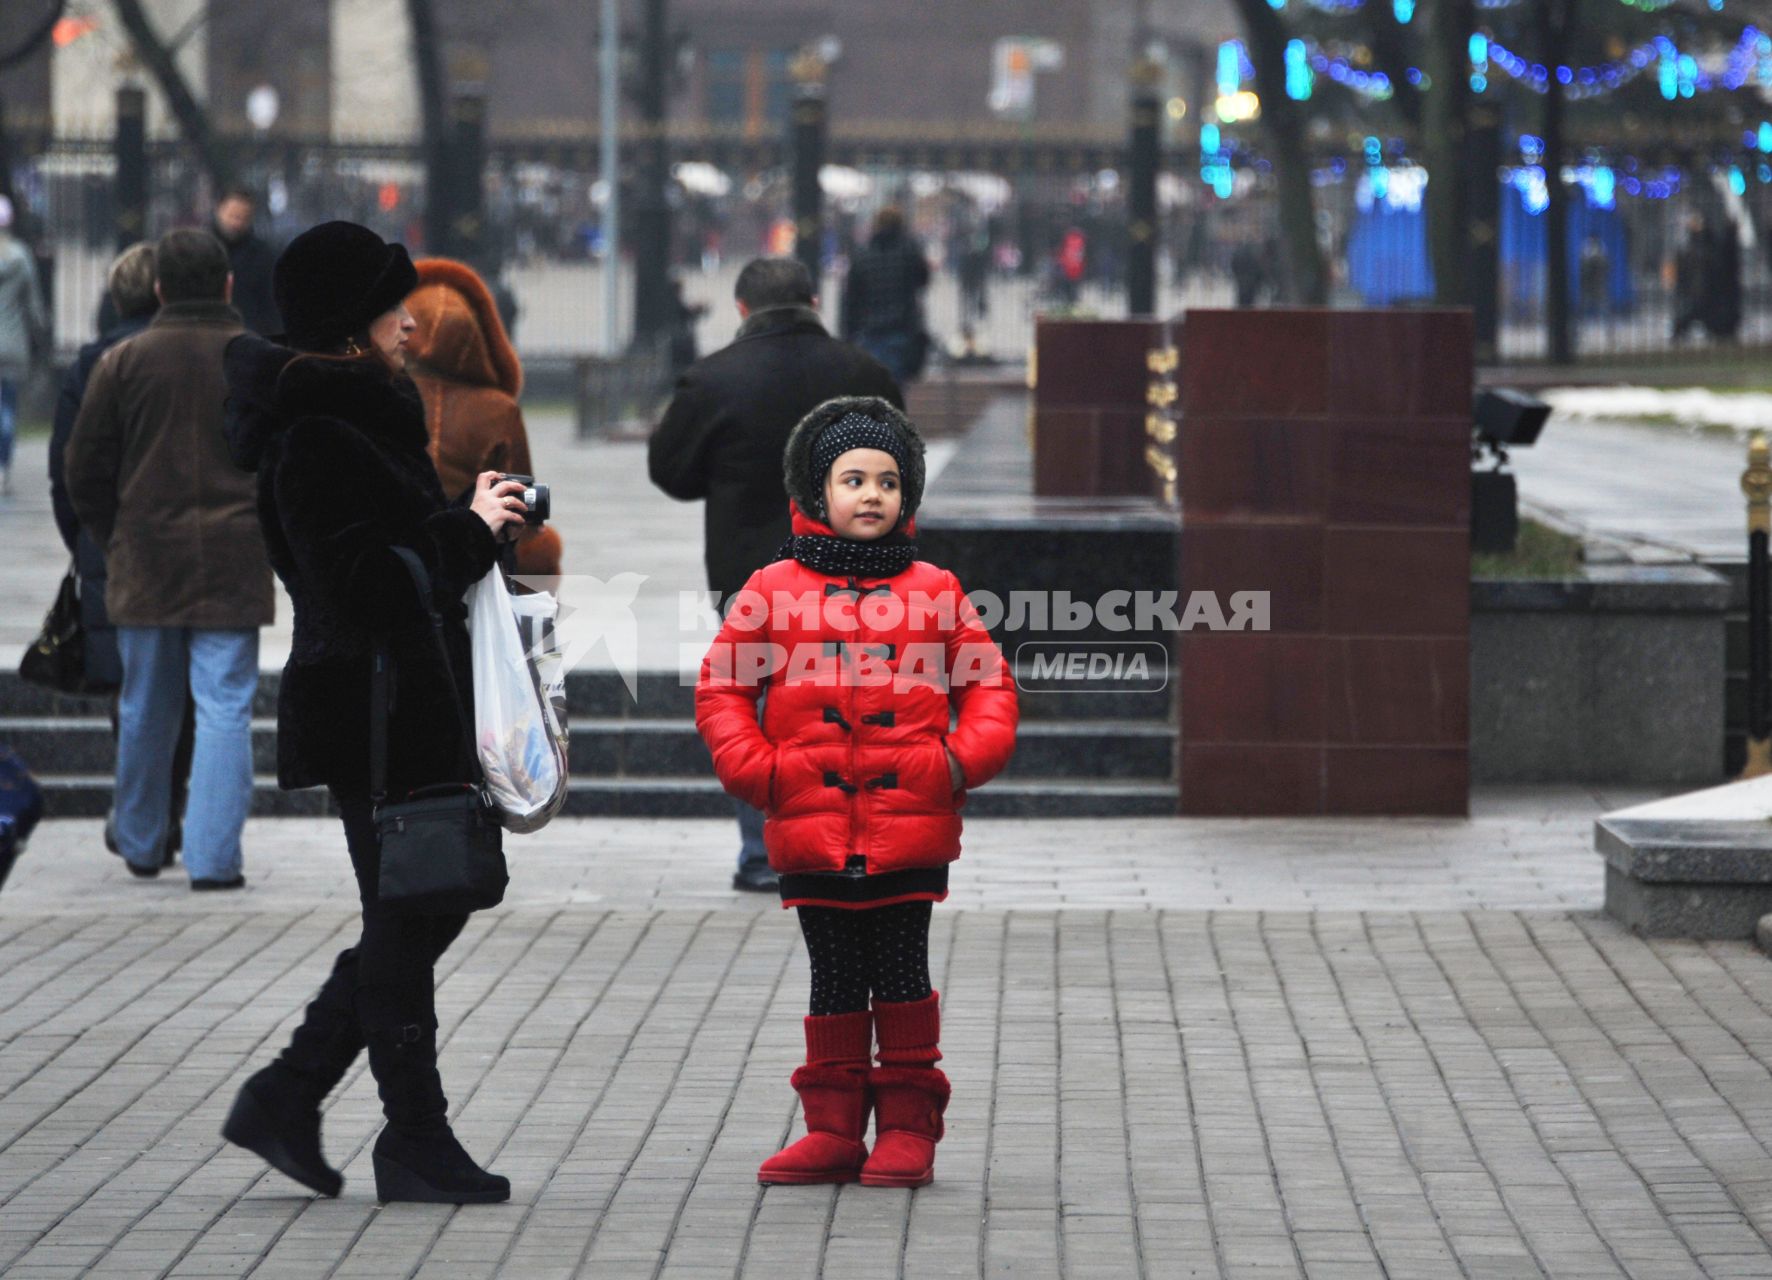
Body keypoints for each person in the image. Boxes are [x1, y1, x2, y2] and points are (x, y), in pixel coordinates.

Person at [220, 220, 525, 1204]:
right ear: (356, 324)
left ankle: (299, 1094)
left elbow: (392, 547)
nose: (413, 325)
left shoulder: (360, 413)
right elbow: (359, 579)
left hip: (404, 696)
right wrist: (466, 534)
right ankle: (400, 1132)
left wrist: (465, 518)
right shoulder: (316, 432)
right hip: (371, 700)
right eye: (397, 308)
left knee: (416, 911)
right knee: (411, 911)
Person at [695, 396, 1019, 1189]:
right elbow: (721, 690)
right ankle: (834, 1130)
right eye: (852, 480)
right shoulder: (771, 588)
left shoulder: (936, 589)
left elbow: (991, 690)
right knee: (833, 975)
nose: (871, 495)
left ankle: (909, 1126)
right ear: (816, 492)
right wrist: (762, 773)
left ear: (907, 495)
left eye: (886, 481)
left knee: (902, 972)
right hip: (809, 821)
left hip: (908, 823)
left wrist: (951, 765)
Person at [649, 256, 903, 893]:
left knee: (760, 710)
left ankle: (764, 855)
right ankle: (854, 848)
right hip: (856, 565)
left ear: (740, 309)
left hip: (748, 577)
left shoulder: (711, 380)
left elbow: (672, 474)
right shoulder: (864, 373)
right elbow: (901, 465)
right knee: (854, 705)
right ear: (814, 300)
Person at [64, 229, 272, 889]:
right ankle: (214, 858)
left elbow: (84, 466)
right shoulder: (257, 362)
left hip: (147, 556)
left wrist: (113, 531)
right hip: (234, 557)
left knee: (147, 704)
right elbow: (281, 461)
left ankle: (142, 839)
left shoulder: (123, 362)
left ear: (158, 289)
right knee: (225, 703)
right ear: (228, 285)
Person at [49, 244, 194, 863]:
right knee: (185, 689)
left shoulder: (92, 362)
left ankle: (140, 822)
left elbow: (67, 467)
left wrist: (86, 541)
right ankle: (171, 813)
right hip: (189, 543)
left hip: (111, 545)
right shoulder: (192, 353)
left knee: (131, 691)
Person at [404, 256, 562, 576]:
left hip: (400, 571)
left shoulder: (380, 398)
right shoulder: (497, 411)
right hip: (479, 568)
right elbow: (524, 517)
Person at [840, 208, 931, 384]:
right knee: (895, 389)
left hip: (868, 332)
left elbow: (851, 300)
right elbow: (924, 280)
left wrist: (847, 337)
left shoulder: (861, 255)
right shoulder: (909, 252)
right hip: (901, 330)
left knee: (871, 388)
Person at [0, 195, 48, 496]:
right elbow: (33, 305)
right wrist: (41, 332)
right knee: (7, 406)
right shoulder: (19, 256)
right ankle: (2, 468)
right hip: (12, 343)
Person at [212, 187, 281, 336]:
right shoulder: (201, 250)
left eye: (243, 218)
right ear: (219, 210)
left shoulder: (263, 256)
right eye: (232, 216)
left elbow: (270, 306)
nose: (236, 223)